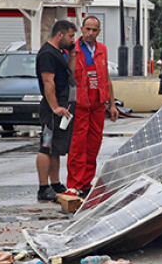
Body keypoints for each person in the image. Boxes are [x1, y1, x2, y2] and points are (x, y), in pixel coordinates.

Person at [66, 16, 117, 196]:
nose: (90, 33)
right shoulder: (74, 50)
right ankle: (74, 183)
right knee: (78, 145)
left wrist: (112, 104)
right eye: (87, 29)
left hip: (97, 105)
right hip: (80, 104)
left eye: (94, 30)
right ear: (82, 29)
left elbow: (106, 79)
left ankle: (86, 182)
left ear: (99, 32)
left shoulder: (102, 50)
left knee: (94, 144)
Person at [36, 19, 76, 202]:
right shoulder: (47, 54)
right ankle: (43, 187)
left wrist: (72, 54)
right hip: (54, 108)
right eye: (70, 36)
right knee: (46, 146)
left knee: (56, 148)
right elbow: (48, 82)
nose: (72, 39)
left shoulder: (59, 53)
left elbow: (70, 74)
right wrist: (55, 107)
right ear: (60, 34)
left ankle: (55, 183)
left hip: (63, 106)